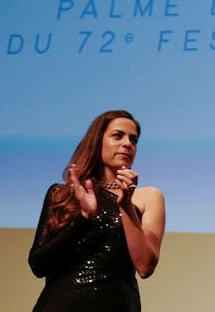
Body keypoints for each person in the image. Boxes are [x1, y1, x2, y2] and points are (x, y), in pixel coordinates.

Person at [29, 110, 166, 312]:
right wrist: (84, 219)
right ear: (97, 141)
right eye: (118, 136)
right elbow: (38, 265)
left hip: (116, 303)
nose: (128, 144)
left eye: (133, 140)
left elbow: (145, 266)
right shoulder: (63, 193)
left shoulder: (149, 197)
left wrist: (126, 205)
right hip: (62, 303)